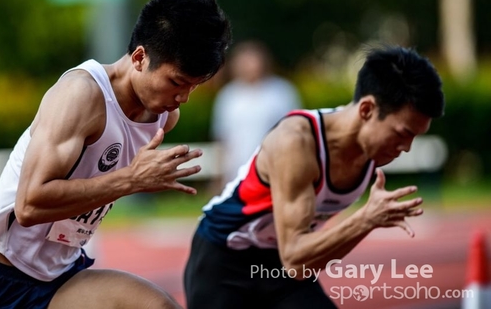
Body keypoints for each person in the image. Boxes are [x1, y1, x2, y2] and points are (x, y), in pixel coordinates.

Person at [0, 0, 232, 309]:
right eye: (176, 82)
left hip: (59, 281)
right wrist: (131, 180)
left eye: (193, 87)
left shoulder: (163, 117)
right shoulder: (80, 95)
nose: (182, 98)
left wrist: (136, 180)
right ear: (140, 57)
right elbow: (29, 206)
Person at [184, 46, 445, 309]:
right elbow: (296, 258)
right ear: (366, 110)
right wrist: (366, 219)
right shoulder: (295, 142)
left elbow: (303, 265)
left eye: (414, 137)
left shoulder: (372, 150)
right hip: (224, 258)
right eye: (402, 133)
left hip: (279, 264)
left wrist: (366, 222)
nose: (406, 147)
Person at [211, 40, 302, 186]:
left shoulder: (282, 92)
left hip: (275, 169)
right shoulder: (228, 96)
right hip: (237, 172)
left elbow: (296, 131)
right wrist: (219, 175)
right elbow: (223, 139)